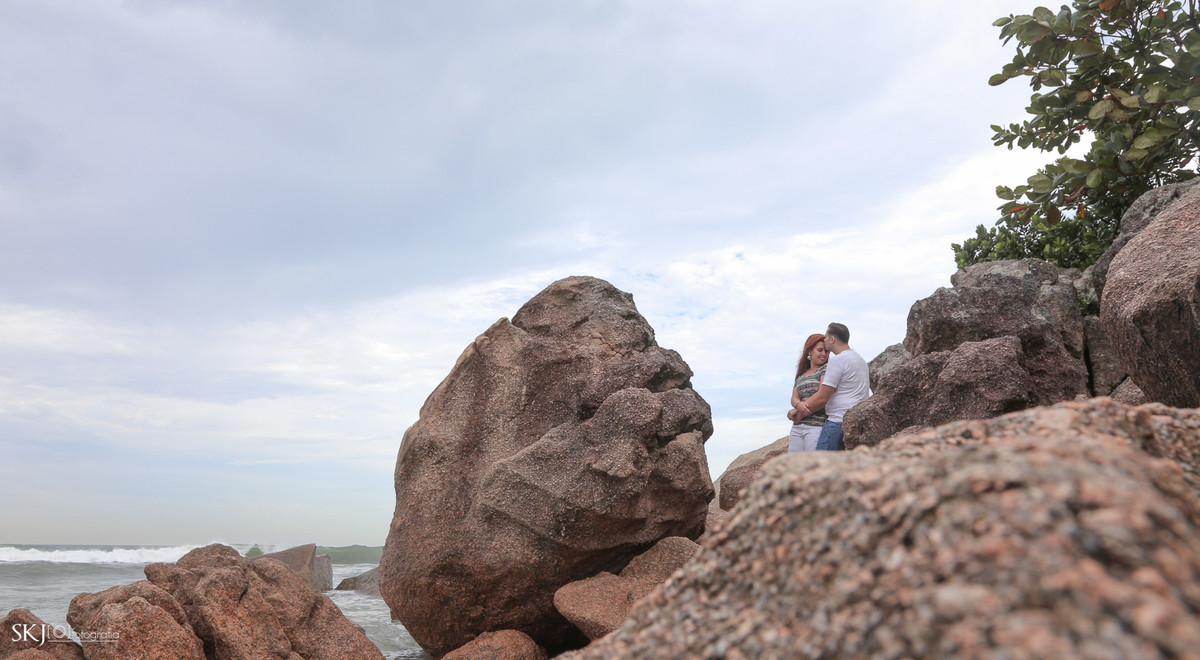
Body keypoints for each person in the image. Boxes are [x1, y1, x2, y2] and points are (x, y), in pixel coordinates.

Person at [794, 322, 870, 451]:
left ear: (832, 339)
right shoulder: (860, 360)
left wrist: (799, 414)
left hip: (837, 422)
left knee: (822, 462)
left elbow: (822, 397)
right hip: (857, 420)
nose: (824, 340)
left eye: (826, 337)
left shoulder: (837, 360)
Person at [786, 333, 829, 453]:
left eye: (826, 351)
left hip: (816, 426)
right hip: (797, 427)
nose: (824, 354)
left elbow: (821, 395)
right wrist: (798, 405)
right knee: (793, 462)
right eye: (820, 350)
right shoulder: (801, 375)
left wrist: (798, 413)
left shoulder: (826, 369)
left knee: (812, 462)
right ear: (810, 351)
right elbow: (794, 397)